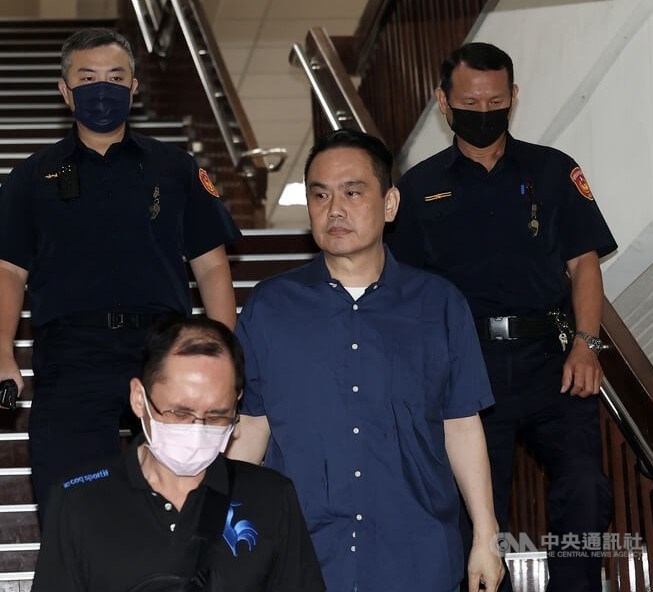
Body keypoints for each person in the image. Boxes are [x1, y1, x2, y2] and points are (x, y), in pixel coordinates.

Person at [229, 129, 504, 592]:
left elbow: (460, 423)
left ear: (390, 203)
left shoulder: (439, 304)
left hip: (416, 554)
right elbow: (253, 427)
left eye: (353, 192)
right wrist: (226, 527)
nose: (335, 209)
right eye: (320, 195)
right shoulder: (270, 307)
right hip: (299, 555)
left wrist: (486, 535)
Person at [385, 42, 616, 592]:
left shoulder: (554, 170)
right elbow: (404, 294)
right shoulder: (417, 188)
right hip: (465, 368)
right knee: (477, 509)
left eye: (495, 101)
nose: (483, 112)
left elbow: (584, 262)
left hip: (551, 360)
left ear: (513, 97)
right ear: (444, 102)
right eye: (470, 101)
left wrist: (587, 343)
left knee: (586, 489)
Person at [0, 28, 240, 511]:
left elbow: (212, 267)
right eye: (87, 78)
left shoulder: (176, 168)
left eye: (115, 76)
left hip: (161, 350)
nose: (102, 88)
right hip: (71, 355)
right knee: (70, 500)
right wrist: (1, 350)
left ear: (134, 86)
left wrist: (222, 353)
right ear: (65, 91)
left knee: (179, 495)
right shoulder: (31, 177)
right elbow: (9, 271)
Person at [32, 316, 326, 592]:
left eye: (216, 416)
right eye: (180, 413)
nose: (197, 429)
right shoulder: (79, 500)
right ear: (139, 399)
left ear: (236, 404)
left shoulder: (271, 497)